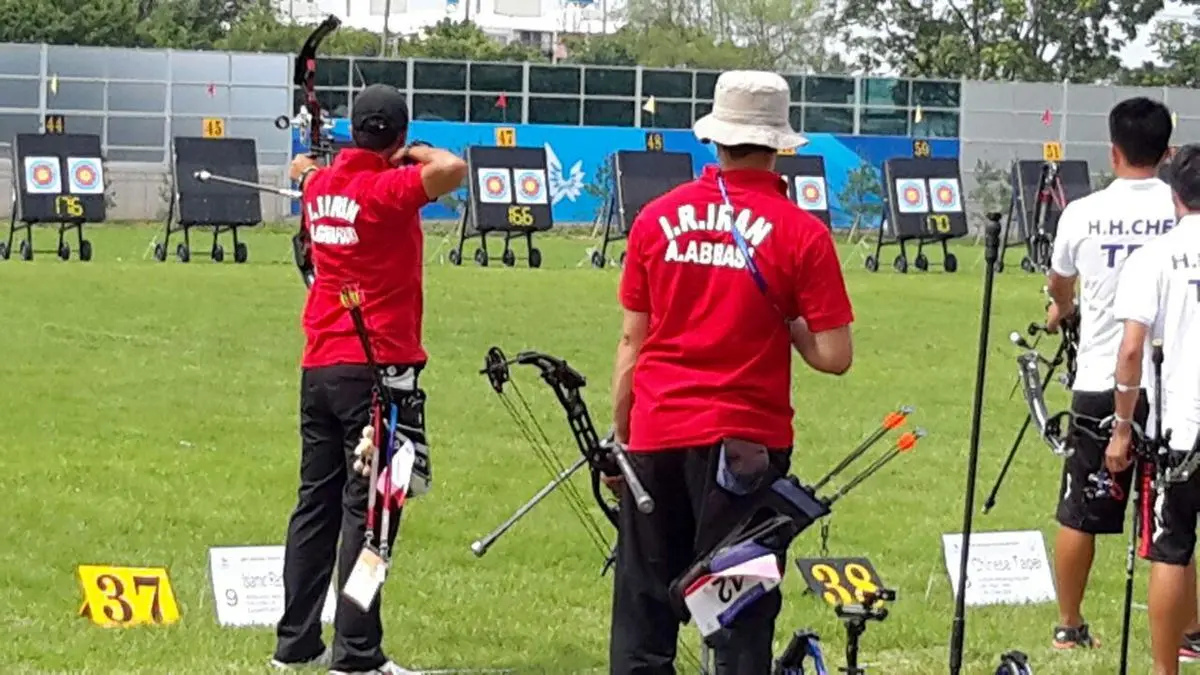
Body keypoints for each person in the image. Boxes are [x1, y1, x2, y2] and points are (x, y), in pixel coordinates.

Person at [608, 70, 855, 674]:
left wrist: (622, 434)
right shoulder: (803, 232)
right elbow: (834, 355)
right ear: (778, 145)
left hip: (657, 430)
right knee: (737, 620)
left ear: (714, 138)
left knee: (645, 611)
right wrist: (786, 323)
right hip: (746, 447)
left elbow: (630, 342)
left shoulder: (658, 217)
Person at [269, 83, 467, 675]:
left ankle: (295, 642)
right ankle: (357, 652)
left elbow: (305, 170)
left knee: (315, 504)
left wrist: (311, 163)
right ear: (398, 137)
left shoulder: (322, 185)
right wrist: (415, 154)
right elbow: (454, 169)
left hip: (321, 367)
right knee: (372, 511)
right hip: (377, 371)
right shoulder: (388, 189)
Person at [1043, 96, 1193, 652]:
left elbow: (1060, 284)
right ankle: (1189, 633)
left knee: (1082, 506)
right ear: (1167, 151)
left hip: (1102, 377)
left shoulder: (1082, 212)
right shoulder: (1180, 207)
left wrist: (1061, 307)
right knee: (1170, 518)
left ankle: (1069, 623)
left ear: (1113, 151)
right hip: (1168, 386)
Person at [1108, 144, 1200, 675]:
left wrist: (1122, 428)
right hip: (1182, 429)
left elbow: (1130, 350)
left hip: (1181, 433)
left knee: (1172, 547)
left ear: (1174, 195)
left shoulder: (1154, 257)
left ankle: (1167, 669)